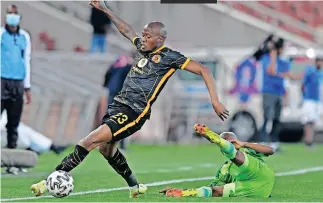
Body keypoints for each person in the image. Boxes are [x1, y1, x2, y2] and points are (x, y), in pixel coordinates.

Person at [30, 0, 229, 198]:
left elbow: (203, 69)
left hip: (134, 111)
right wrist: (105, 10)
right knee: (106, 150)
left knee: (89, 140)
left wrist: (215, 101)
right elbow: (126, 30)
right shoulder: (143, 48)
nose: (142, 38)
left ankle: (51, 180)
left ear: (159, 40)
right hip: (118, 105)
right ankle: (135, 186)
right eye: (143, 35)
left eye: (147, 36)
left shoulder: (170, 57)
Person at [160, 124, 275, 198]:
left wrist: (244, 143)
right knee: (218, 191)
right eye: (224, 142)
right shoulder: (224, 170)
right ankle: (182, 194)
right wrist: (183, 192)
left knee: (242, 159)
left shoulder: (248, 149)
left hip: (262, 176)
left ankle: (217, 140)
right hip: (251, 189)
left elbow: (270, 150)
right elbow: (212, 190)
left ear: (236, 141)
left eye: (229, 141)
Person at [1, 5, 32, 150]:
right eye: (9, 13)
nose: (12, 16)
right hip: (2, 80)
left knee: (13, 122)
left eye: (14, 13)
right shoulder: (1, 34)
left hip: (18, 82)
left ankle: (11, 154)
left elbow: (26, 61)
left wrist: (27, 87)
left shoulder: (24, 36)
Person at [259, 40, 298, 152]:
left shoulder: (283, 62)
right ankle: (263, 142)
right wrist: (273, 57)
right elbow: (270, 70)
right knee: (267, 117)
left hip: (279, 93)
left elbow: (291, 76)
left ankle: (274, 143)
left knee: (277, 118)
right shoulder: (266, 58)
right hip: (268, 92)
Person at [103, 54, 133, 150]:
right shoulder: (127, 66)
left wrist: (106, 85)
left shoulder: (115, 64)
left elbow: (107, 74)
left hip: (112, 92)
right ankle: (121, 146)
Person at [300, 57, 323, 148]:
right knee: (308, 121)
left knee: (313, 121)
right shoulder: (310, 71)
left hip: (317, 100)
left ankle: (310, 141)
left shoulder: (320, 73)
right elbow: (303, 84)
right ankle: (307, 141)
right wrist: (304, 96)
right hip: (309, 100)